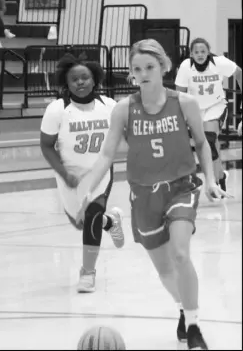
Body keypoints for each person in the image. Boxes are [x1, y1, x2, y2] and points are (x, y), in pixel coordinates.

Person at [77, 39, 231, 350]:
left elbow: (202, 143)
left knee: (181, 254)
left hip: (181, 187)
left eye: (149, 67)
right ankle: (182, 309)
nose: (143, 73)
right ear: (131, 74)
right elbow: (107, 154)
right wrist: (88, 190)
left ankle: (195, 327)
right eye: (136, 69)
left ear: (163, 67)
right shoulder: (124, 109)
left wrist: (211, 179)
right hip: (143, 194)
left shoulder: (184, 103)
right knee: (164, 270)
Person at [40, 53, 125, 294]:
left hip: (99, 173)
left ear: (94, 79)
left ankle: (88, 272)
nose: (80, 83)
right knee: (81, 223)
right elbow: (46, 146)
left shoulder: (109, 106)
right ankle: (111, 221)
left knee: (92, 216)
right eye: (74, 79)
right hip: (70, 176)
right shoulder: (57, 109)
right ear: (66, 83)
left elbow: (127, 134)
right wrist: (63, 173)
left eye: (85, 78)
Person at [175, 37, 242, 193]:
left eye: (203, 51)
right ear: (191, 54)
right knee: (203, 143)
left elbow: (239, 73)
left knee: (209, 138)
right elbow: (180, 94)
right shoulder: (186, 66)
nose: (200, 54)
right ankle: (219, 176)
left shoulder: (219, 63)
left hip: (215, 106)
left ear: (208, 52)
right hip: (194, 109)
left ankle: (213, 181)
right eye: (196, 52)